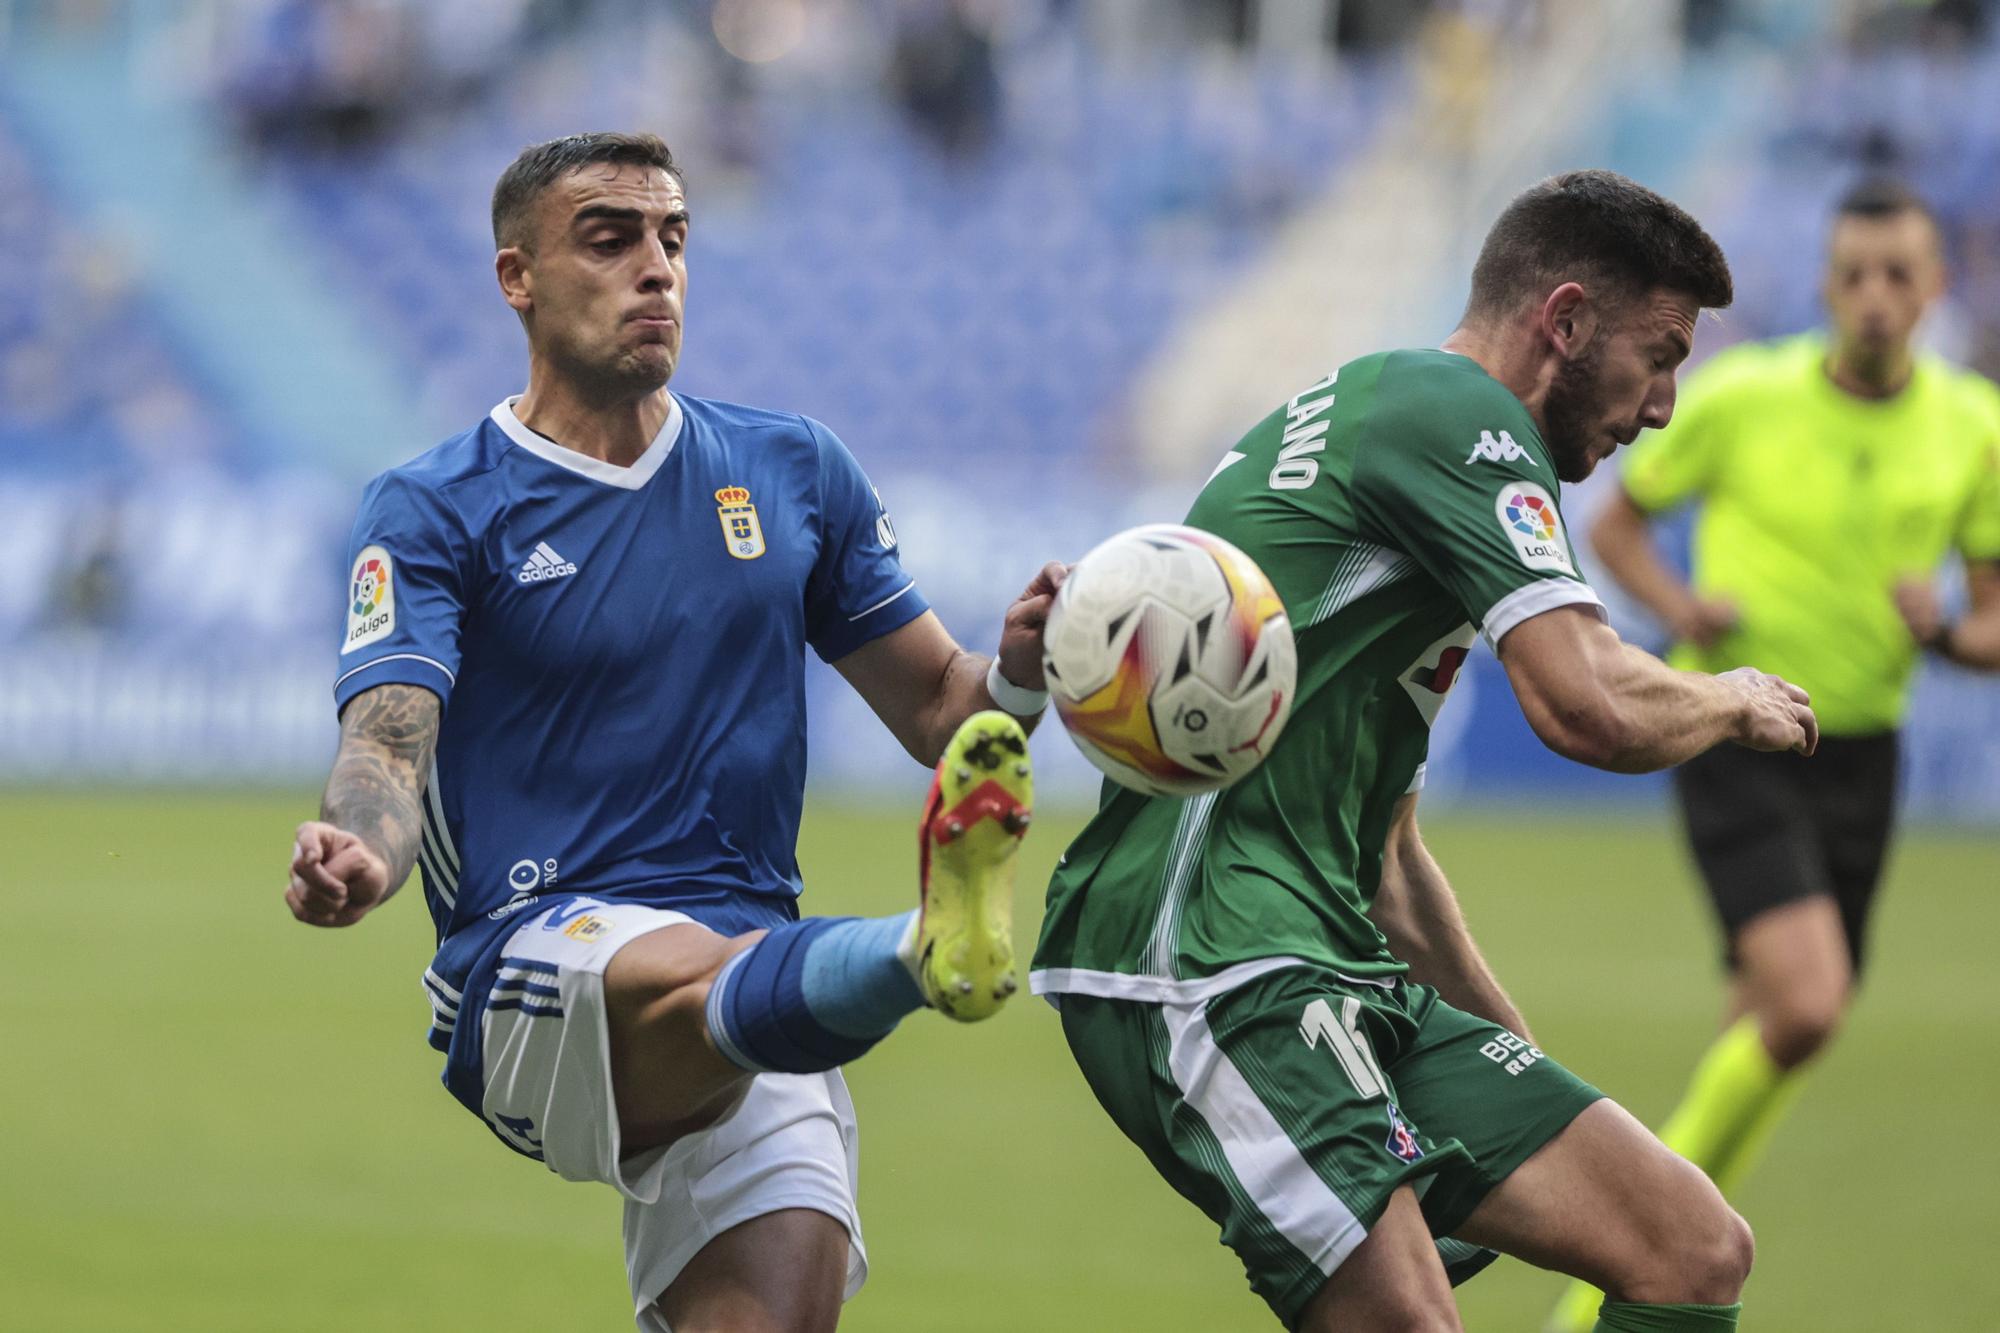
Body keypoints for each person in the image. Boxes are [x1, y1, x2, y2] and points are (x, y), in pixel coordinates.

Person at [283, 132, 1061, 1333]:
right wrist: (361, 848)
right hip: (533, 961)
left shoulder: (791, 469)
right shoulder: (436, 504)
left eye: (673, 239)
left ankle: (898, 954)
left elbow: (940, 714)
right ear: (517, 278)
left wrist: (1015, 675)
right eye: (610, 238)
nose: (656, 268)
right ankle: (918, 950)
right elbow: (390, 736)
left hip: (760, 980)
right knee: (692, 977)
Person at [1030, 169, 1821, 1333]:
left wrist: (1515, 1065)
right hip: (1203, 954)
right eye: (1657, 356)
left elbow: (1386, 853)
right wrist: (1728, 697)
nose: (1659, 406)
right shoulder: (1457, 417)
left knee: (1687, 1245)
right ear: (1561, 320)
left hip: (1327, 957)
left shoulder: (1387, 423)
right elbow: (1585, 702)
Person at [1549, 179, 2000, 1332]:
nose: (1873, 299)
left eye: (1898, 275)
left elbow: (1992, 620)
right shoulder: (1742, 398)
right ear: (1823, 283)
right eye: (1852, 274)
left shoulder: (1970, 426)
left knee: (1759, 1033)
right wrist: (1680, 604)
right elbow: (1614, 523)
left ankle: (1663, 1272)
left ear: (1936, 285)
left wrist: (1942, 629)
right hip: (1739, 729)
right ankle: (1601, 1272)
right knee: (1806, 1006)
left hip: (1865, 752)